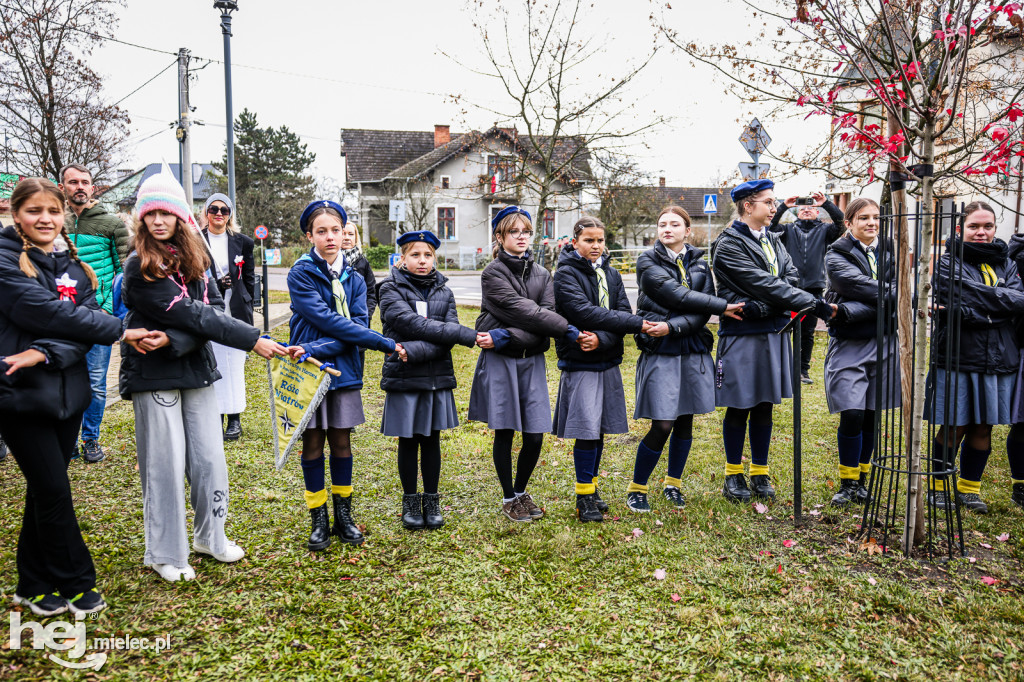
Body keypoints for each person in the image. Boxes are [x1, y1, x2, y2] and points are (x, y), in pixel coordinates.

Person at [119, 170, 286, 582]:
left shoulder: (196, 258)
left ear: (179, 217)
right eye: (151, 213)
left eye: (167, 213)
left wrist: (176, 341)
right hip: (153, 374)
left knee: (210, 458)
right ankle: (164, 553)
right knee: (165, 463)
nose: (159, 221)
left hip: (194, 368)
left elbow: (210, 308)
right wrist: (253, 339)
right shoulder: (138, 266)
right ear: (142, 219)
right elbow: (191, 313)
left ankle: (211, 536)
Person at [0, 178, 155, 615]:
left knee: (42, 490)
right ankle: (76, 580)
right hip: (20, 394)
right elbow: (42, 311)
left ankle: (31, 583)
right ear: (18, 216)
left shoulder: (72, 264)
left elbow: (84, 325)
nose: (45, 219)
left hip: (70, 395)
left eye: (53, 211)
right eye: (34, 211)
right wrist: (120, 330)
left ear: (64, 214)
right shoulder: (6, 260)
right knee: (52, 487)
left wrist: (45, 350)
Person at [285, 200, 404, 550]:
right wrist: (380, 343)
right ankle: (318, 518)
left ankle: (344, 515)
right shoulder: (300, 273)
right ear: (310, 236)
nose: (330, 237)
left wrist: (315, 347)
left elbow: (358, 323)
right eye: (321, 231)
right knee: (312, 443)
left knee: (341, 441)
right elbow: (330, 321)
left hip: (343, 369)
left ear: (344, 232)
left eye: (335, 230)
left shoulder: (354, 276)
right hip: (310, 371)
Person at [711, 179, 836, 503]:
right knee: (740, 406)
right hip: (742, 335)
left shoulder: (773, 240)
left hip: (773, 333)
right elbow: (765, 283)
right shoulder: (728, 244)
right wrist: (800, 302)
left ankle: (760, 472)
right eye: (769, 202)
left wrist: (770, 304)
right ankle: (733, 474)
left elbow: (790, 278)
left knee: (765, 404)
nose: (773, 207)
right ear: (748, 206)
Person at [627, 206, 743, 513]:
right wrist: (721, 305)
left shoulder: (702, 265)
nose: (667, 228)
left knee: (685, 420)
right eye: (662, 223)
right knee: (663, 422)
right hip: (661, 351)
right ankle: (637, 489)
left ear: (687, 230)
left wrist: (673, 326)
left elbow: (700, 312)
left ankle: (673, 484)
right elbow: (676, 296)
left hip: (692, 349)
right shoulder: (647, 261)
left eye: (674, 224)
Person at [469, 206, 580, 523]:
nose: (521, 237)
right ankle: (508, 497)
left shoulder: (544, 274)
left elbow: (544, 323)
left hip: (530, 362)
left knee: (534, 434)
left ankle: (520, 491)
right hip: (501, 363)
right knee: (505, 431)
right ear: (500, 236)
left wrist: (503, 334)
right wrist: (560, 328)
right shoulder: (492, 274)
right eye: (513, 231)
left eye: (525, 231)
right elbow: (530, 314)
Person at [553, 216, 661, 522]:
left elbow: (621, 312)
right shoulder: (565, 275)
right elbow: (582, 312)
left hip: (606, 358)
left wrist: (602, 338)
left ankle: (593, 487)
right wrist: (634, 324)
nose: (596, 246)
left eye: (600, 240)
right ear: (574, 242)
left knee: (598, 429)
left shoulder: (611, 274)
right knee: (586, 430)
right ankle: (583, 496)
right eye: (589, 240)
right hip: (580, 360)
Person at [378, 230, 485, 530]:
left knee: (432, 440)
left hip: (435, 377)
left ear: (434, 258)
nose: (422, 261)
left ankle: (432, 500)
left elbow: (443, 335)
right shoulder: (390, 289)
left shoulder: (444, 292)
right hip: (405, 378)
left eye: (427, 255)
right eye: (415, 255)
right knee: (409, 441)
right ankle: (410, 501)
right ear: (402, 258)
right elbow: (408, 323)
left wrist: (411, 349)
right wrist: (459, 335)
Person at [925, 201, 1024, 514]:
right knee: (954, 425)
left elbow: (1019, 300)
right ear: (960, 229)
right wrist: (998, 307)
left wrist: (976, 307)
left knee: (983, 426)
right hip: (959, 355)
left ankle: (970, 489)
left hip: (999, 357)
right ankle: (939, 486)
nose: (981, 232)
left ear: (995, 228)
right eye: (974, 226)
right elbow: (956, 296)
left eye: (988, 226)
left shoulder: (1006, 261)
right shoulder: (945, 262)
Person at [822, 198, 901, 507]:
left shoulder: (891, 250)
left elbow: (886, 291)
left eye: (875, 217)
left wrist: (848, 309)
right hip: (849, 344)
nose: (871, 222)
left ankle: (863, 479)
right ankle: (847, 481)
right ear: (849, 222)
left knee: (870, 415)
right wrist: (890, 296)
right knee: (852, 413)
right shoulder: (837, 253)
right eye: (863, 217)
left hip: (884, 342)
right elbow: (851, 283)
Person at [59, 163, 130, 463]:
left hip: (98, 316)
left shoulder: (112, 224)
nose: (80, 187)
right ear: (62, 187)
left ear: (92, 187)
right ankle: (68, 440)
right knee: (63, 380)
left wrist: (117, 314)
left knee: (96, 381)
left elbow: (124, 272)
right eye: (73, 182)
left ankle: (90, 439)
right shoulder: (55, 223)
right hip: (60, 316)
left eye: (85, 182)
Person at [768, 191, 845, 384]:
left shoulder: (825, 231)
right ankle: (784, 369)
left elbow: (841, 224)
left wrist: (826, 203)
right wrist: (784, 206)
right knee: (785, 328)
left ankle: (802, 371)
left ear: (817, 212)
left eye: (811, 207)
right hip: (788, 288)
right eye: (803, 208)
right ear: (797, 212)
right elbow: (770, 226)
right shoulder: (787, 231)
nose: (807, 210)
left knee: (807, 332)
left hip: (814, 288)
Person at [200, 193, 255, 441]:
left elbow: (250, 278)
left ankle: (234, 419)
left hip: (236, 313)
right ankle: (215, 418)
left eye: (224, 209)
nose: (219, 213)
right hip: (209, 311)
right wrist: (216, 286)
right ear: (206, 212)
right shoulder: (195, 240)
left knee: (235, 367)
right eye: (214, 209)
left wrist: (246, 301)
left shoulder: (243, 242)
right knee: (213, 365)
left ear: (230, 214)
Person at [339, 220, 377, 321]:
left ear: (356, 238)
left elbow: (372, 292)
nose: (347, 237)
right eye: (343, 234)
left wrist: (366, 315)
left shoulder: (363, 262)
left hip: (359, 319)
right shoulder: (330, 261)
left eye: (351, 234)